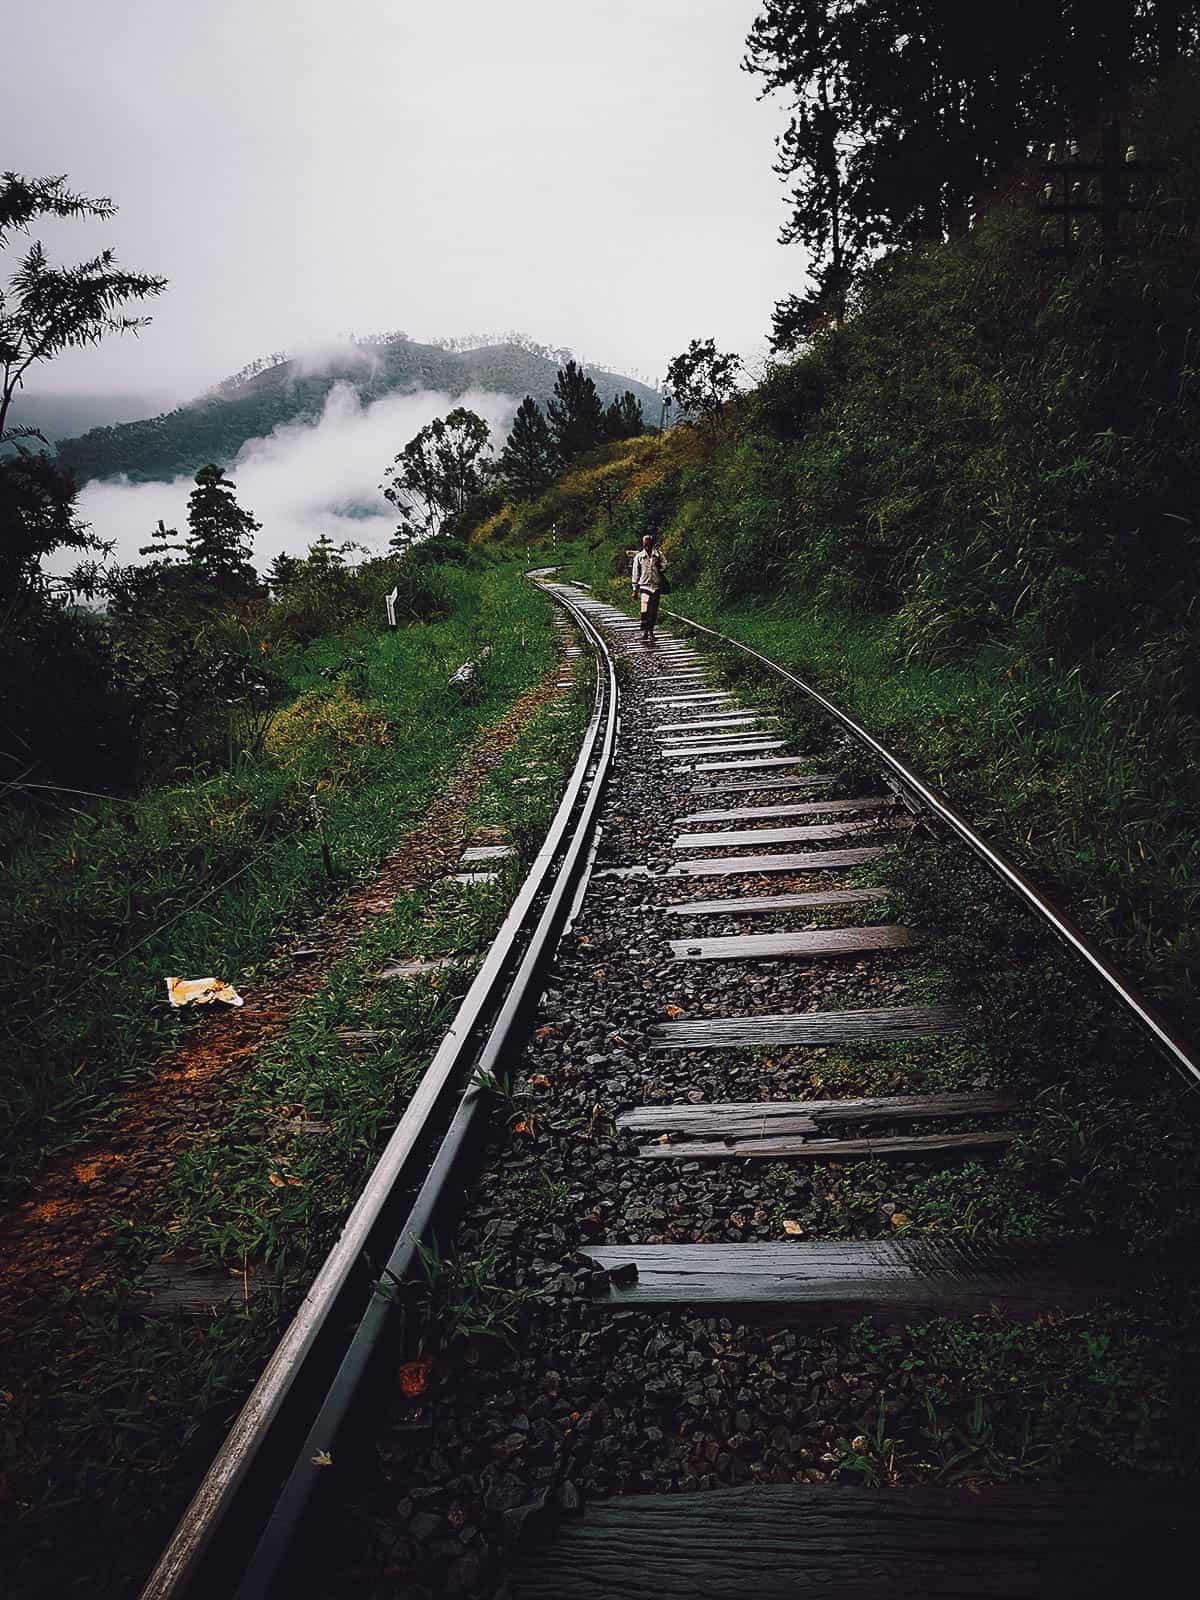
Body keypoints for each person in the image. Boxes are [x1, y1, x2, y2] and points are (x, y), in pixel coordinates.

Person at [631, 532, 668, 638]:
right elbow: (635, 573)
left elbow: (665, 566)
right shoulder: (639, 557)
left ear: (652, 543)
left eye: (649, 543)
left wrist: (659, 565)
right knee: (644, 609)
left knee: (653, 610)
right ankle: (645, 631)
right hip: (644, 586)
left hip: (656, 586)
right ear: (643, 544)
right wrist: (635, 589)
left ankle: (651, 630)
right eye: (645, 543)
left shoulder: (658, 555)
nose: (647, 545)